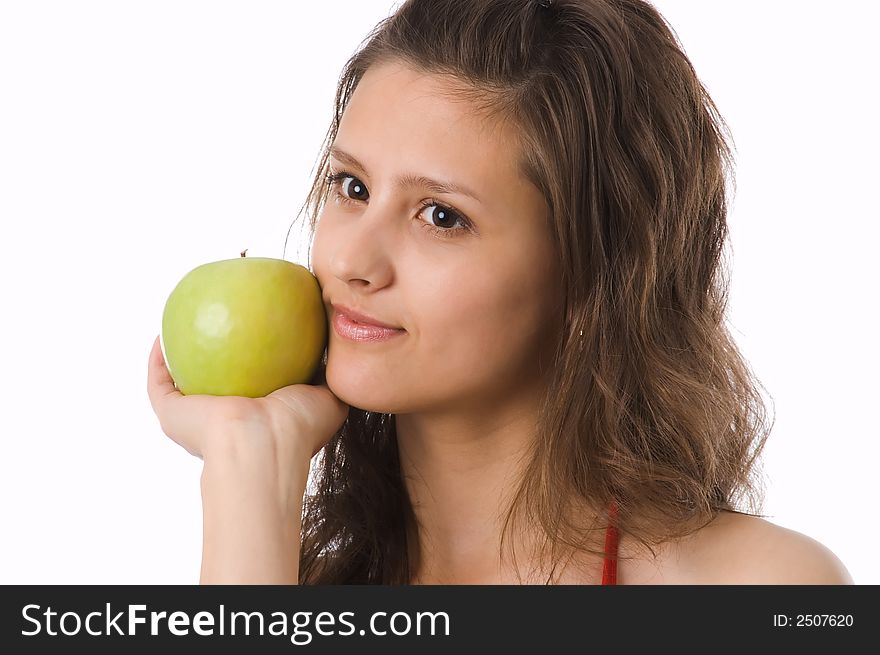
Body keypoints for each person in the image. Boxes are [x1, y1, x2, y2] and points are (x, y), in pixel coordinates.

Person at [147, 0, 854, 585]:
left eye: (442, 216)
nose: (353, 261)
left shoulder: (756, 587)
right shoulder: (271, 577)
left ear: (591, 275)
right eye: (352, 187)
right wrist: (247, 468)